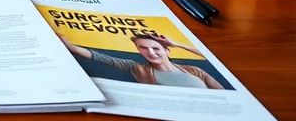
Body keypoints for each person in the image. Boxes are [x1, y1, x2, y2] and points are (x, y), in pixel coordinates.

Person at [57, 33, 224, 89]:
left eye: (156, 48)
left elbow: (213, 57)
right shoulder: (136, 67)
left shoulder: (194, 70)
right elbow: (97, 57)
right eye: (143, 48)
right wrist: (68, 45)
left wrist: (177, 44)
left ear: (166, 49)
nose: (150, 52)